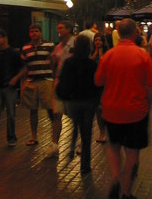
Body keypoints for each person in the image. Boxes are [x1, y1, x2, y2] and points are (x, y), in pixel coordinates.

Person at [94, 18, 152, 199]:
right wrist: (148, 103)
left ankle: (115, 177)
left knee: (113, 145)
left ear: (118, 33)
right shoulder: (142, 55)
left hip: (111, 110)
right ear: (134, 33)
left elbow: (98, 81)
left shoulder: (109, 55)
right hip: (136, 111)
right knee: (132, 151)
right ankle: (126, 192)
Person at [55, 35, 102, 175]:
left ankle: (71, 147)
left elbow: (62, 81)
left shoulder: (69, 63)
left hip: (73, 101)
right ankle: (85, 165)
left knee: (75, 123)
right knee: (86, 133)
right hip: (88, 102)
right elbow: (98, 84)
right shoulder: (92, 65)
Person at [20, 24, 55, 147]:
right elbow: (25, 66)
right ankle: (34, 136)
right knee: (33, 110)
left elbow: (54, 62)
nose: (34, 33)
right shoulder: (26, 47)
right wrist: (24, 83)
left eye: (36, 31)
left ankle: (54, 136)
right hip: (32, 81)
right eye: (32, 31)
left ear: (40, 32)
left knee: (50, 108)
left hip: (46, 80)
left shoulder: (49, 45)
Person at [46, 20, 76, 157]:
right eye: (58, 28)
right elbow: (53, 65)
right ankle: (54, 144)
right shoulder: (57, 47)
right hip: (59, 82)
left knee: (75, 114)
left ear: (69, 29)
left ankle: (79, 142)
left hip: (72, 83)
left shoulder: (75, 44)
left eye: (61, 28)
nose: (58, 30)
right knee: (57, 113)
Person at [0, 27, 23, 146]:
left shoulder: (13, 53)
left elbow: (23, 68)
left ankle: (11, 138)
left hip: (9, 87)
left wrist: (15, 78)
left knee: (11, 114)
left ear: (5, 38)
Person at [91, 33, 109, 142]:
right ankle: (102, 132)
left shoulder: (107, 52)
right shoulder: (92, 53)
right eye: (96, 40)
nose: (98, 42)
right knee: (98, 109)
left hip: (106, 84)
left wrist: (101, 55)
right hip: (95, 84)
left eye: (100, 40)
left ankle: (107, 131)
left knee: (104, 107)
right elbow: (89, 63)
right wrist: (95, 54)